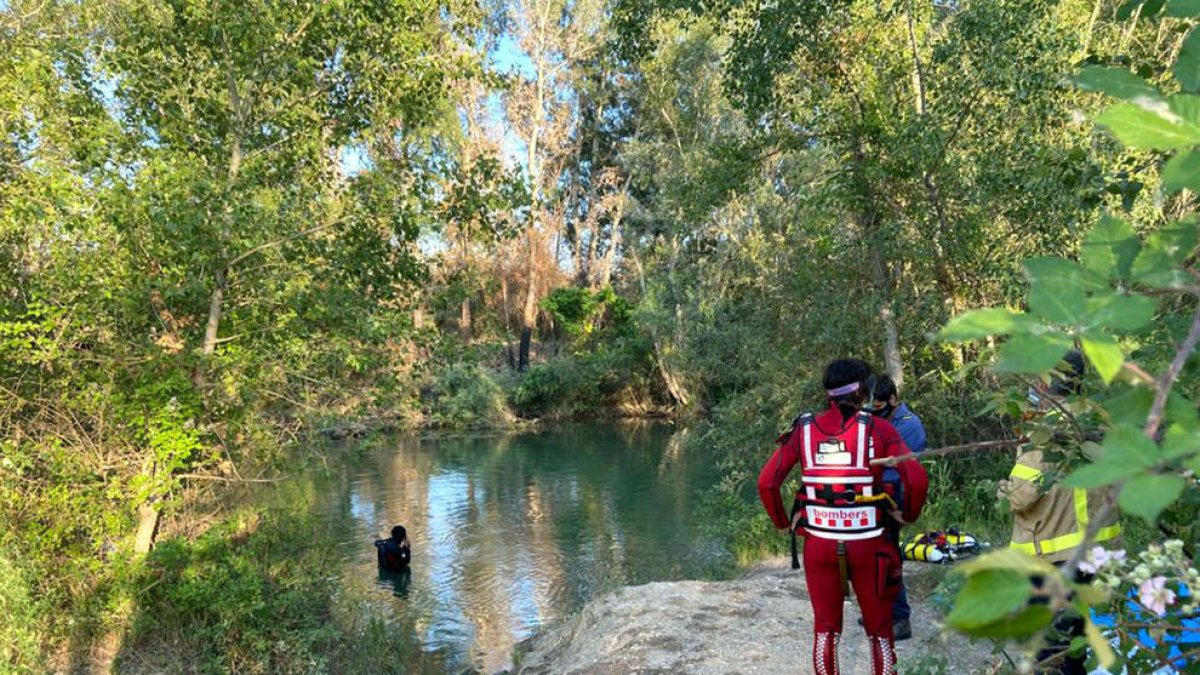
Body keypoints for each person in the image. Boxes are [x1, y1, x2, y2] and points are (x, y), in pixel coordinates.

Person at [758, 359, 929, 675]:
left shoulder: (804, 431)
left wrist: (784, 524)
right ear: (863, 392)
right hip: (871, 545)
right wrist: (908, 515)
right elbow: (917, 479)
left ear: (829, 394)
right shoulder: (880, 429)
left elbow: (767, 483)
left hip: (820, 544)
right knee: (880, 632)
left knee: (825, 631)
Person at [998, 351, 1121, 674]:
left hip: (1051, 556)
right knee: (1077, 639)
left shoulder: (1045, 429)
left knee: (1049, 650)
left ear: (1045, 379)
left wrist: (1001, 489)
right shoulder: (1097, 420)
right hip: (1095, 552)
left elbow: (1020, 497)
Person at [865, 374, 927, 641]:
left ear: (892, 400)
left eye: (878, 407)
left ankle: (900, 618)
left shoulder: (909, 426)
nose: (873, 414)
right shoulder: (874, 421)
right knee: (870, 556)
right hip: (874, 495)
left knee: (888, 555)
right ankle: (880, 610)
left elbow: (896, 467)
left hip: (895, 498)